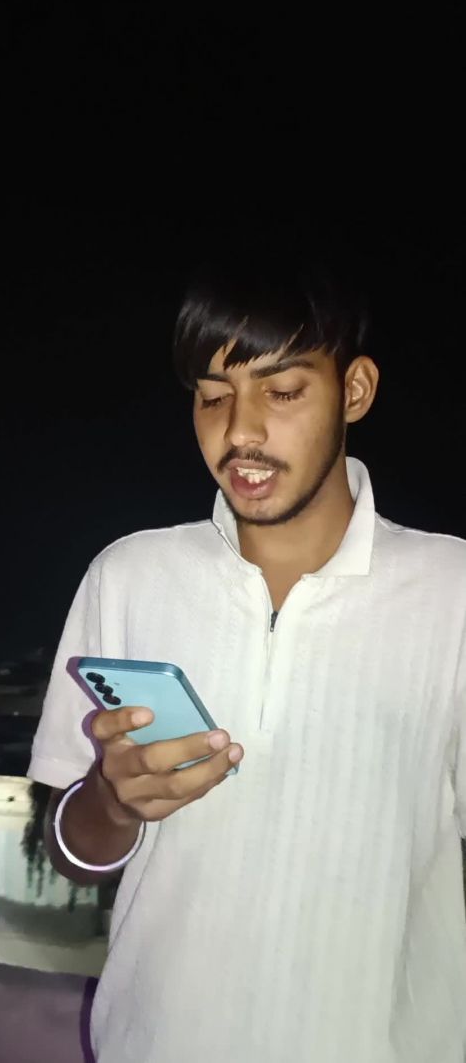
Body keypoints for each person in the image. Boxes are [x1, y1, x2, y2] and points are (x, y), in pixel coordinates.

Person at [28, 257, 466, 1062]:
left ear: (355, 391)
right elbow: (69, 849)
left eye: (283, 391)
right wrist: (112, 801)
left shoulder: (452, 591)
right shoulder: (128, 576)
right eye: (212, 397)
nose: (240, 433)